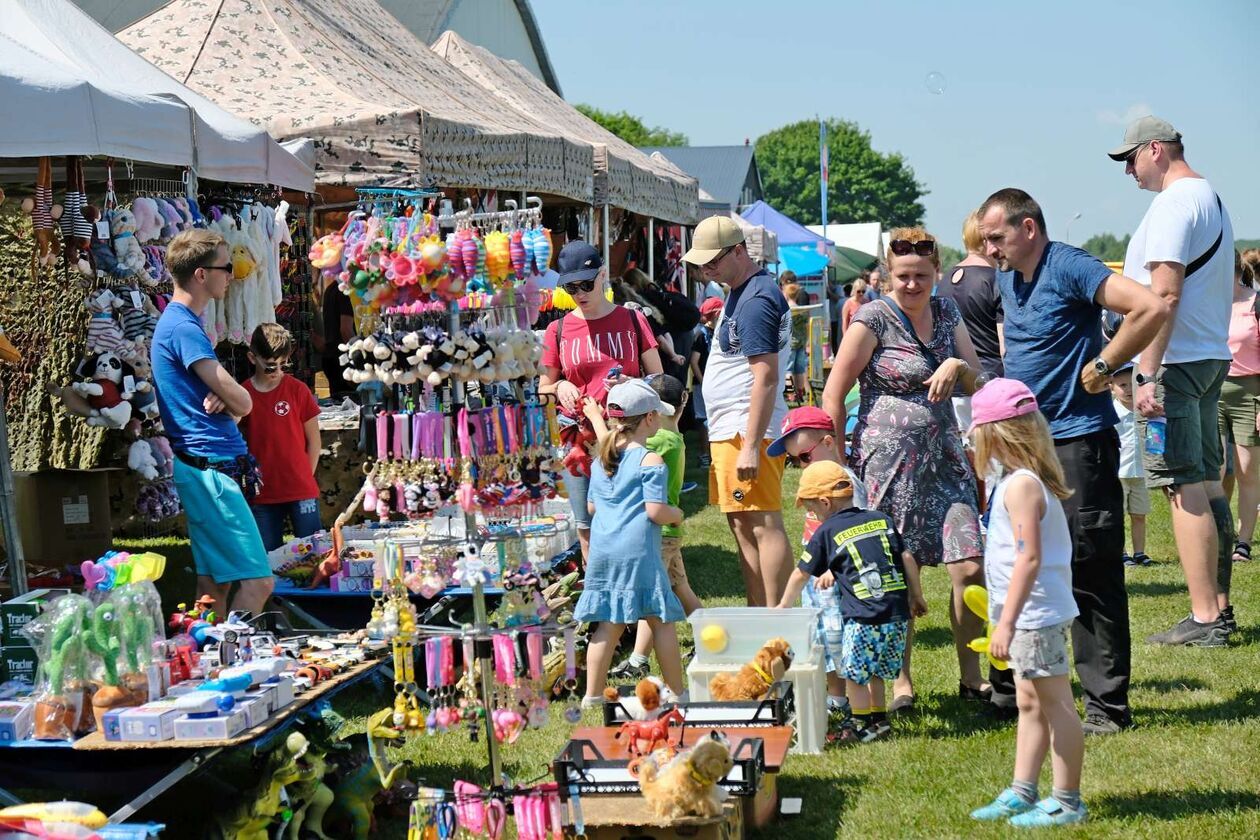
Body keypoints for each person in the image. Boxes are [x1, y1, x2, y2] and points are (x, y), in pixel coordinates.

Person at [979, 187, 1167, 735]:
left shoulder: (1070, 265)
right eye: (986, 239)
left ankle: (1107, 708)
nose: (989, 249)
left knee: (1089, 568)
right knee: (1017, 562)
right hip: (1024, 445)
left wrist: (1107, 363)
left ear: (1029, 228)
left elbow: (1150, 306)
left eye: (997, 237)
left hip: (1077, 443)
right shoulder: (1009, 275)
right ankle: (1016, 691)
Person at [822, 227, 987, 713]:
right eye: (902, 277)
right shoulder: (872, 318)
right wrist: (835, 459)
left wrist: (956, 365)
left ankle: (971, 675)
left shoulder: (948, 313)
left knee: (970, 564)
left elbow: (979, 381)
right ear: (887, 276)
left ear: (936, 272)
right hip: (886, 462)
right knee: (895, 568)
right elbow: (834, 393)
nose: (912, 285)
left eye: (921, 275)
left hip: (945, 459)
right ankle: (901, 680)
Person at [1111, 116, 1237, 646]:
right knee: (1207, 484)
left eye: (1130, 159)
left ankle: (1206, 617)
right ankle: (1220, 608)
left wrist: (1145, 373)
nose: (1129, 172)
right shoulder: (1211, 198)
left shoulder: (1171, 205)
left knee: (1183, 489)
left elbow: (1162, 298)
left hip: (1175, 367)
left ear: (1155, 150)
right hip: (1208, 356)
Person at [967, 379, 1086, 827]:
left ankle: (1068, 800)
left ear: (995, 434)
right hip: (1025, 614)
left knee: (1057, 705)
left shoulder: (1021, 486)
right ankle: (1023, 789)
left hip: (1033, 616)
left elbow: (1028, 557)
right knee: (1030, 703)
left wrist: (1007, 622)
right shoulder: (1016, 481)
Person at [152, 230, 273, 617]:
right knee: (258, 582)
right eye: (225, 267)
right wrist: (234, 395)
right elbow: (245, 401)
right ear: (201, 275)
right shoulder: (184, 329)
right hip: (212, 471)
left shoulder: (177, 323)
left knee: (213, 585)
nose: (232, 275)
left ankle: (208, 662)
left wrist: (230, 396)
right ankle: (238, 661)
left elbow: (233, 402)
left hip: (201, 467)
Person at [683, 216, 793, 607]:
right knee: (744, 523)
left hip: (746, 429)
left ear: (739, 252)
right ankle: (761, 614)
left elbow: (764, 377)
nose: (706, 270)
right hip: (736, 427)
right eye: (702, 264)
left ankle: (778, 616)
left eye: (713, 262)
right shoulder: (742, 291)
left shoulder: (756, 299)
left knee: (760, 522)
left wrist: (749, 445)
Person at [775, 460, 927, 743]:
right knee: (877, 672)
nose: (813, 516)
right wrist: (916, 596)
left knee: (856, 676)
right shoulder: (880, 519)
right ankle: (879, 722)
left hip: (864, 617)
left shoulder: (826, 531)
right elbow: (906, 557)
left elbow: (801, 573)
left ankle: (859, 725)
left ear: (824, 502)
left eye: (812, 509)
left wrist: (784, 605)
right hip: (896, 614)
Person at [539, 241, 664, 560]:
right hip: (578, 439)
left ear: (603, 275)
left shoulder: (633, 320)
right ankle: (599, 596)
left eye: (587, 284)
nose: (580, 293)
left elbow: (658, 380)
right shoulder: (558, 329)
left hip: (626, 436)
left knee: (630, 519)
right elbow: (543, 387)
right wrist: (560, 385)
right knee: (586, 525)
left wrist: (631, 384)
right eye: (571, 287)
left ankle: (633, 591)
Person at [575, 380, 686, 706]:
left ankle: (592, 695)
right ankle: (678, 693)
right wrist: (676, 513)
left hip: (604, 551)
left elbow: (592, 507)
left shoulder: (601, 460)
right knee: (660, 620)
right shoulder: (650, 460)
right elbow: (655, 510)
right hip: (638, 553)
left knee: (608, 623)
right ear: (650, 419)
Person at [767, 406, 871, 737]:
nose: (800, 468)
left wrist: (832, 569)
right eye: (794, 461)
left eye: (803, 458)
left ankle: (854, 703)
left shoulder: (845, 485)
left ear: (827, 442)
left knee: (841, 640)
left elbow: (857, 533)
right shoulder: (820, 480)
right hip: (819, 579)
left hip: (841, 579)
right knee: (823, 639)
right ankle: (836, 698)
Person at [607, 374, 703, 681]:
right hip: (668, 534)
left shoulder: (658, 441)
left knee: (651, 597)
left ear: (651, 412)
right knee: (680, 587)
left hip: (656, 534)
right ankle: (710, 637)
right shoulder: (673, 436)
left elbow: (620, 453)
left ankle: (638, 659)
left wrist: (605, 418)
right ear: (683, 402)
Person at [240, 323, 322, 552]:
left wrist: (306, 475)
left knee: (314, 554)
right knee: (267, 559)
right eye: (269, 366)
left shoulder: (298, 390)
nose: (275, 372)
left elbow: (314, 441)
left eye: (282, 364)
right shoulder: (243, 394)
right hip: (263, 493)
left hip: (301, 489)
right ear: (252, 358)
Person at [935, 209, 1004, 433]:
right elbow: (1006, 347)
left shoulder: (945, 280)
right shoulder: (996, 281)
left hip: (952, 385)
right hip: (989, 381)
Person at [1220, 249, 1260, 564]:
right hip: (1212, 390)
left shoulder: (1255, 303)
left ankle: (1243, 542)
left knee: (1247, 470)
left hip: (1250, 393)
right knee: (1216, 469)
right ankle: (1221, 533)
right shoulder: (1210, 305)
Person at [1109, 364, 1151, 567]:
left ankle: (1140, 552)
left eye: (1131, 383)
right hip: (1118, 472)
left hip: (1141, 472)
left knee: (1139, 514)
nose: (1127, 389)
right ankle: (1122, 551)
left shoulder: (1145, 409)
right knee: (1118, 515)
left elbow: (1154, 438)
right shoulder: (1111, 413)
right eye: (1121, 385)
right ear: (1111, 387)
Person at [691, 297, 722, 468]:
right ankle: (704, 454)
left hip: (717, 384)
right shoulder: (701, 335)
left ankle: (714, 454)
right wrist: (704, 382)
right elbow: (694, 361)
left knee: (715, 419)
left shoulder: (718, 333)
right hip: (702, 385)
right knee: (703, 419)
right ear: (716, 314)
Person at [316, 277, 355, 398]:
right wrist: (358, 357)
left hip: (332, 357)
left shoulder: (331, 289)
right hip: (343, 359)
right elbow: (345, 330)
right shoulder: (345, 292)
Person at [783, 279, 811, 404]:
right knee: (800, 369)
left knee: (788, 370)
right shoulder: (803, 310)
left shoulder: (786, 310)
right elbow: (806, 325)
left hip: (790, 344)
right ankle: (800, 392)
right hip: (801, 342)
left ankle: (790, 393)